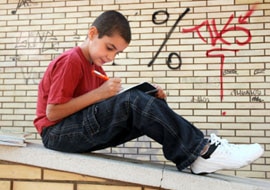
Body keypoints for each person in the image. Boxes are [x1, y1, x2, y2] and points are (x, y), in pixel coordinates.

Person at [34, 10, 264, 174]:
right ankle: (202, 151)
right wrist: (101, 94)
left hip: (73, 130)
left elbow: (95, 111)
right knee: (134, 102)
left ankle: (198, 155)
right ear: (92, 33)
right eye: (109, 48)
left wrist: (148, 101)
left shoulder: (96, 68)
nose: (111, 57)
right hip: (55, 134)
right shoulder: (71, 61)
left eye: (118, 53)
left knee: (142, 100)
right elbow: (53, 113)